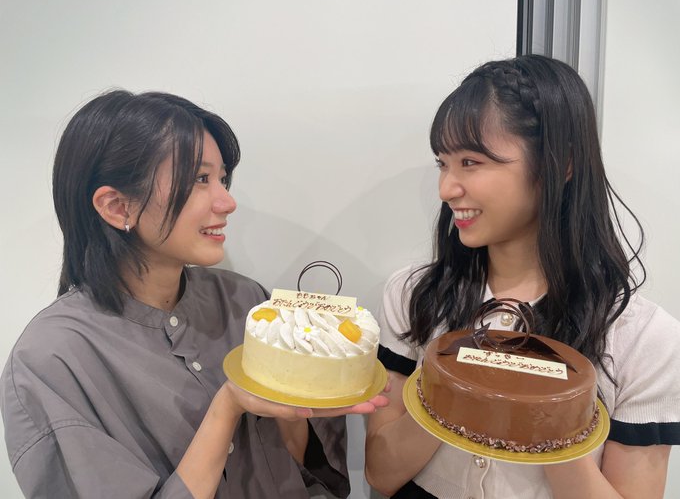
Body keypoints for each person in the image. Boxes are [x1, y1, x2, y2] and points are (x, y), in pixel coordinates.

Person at [0, 90, 387, 498]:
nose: (227, 201)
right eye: (200, 179)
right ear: (117, 207)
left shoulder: (245, 301)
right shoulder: (51, 361)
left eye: (222, 178)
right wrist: (228, 406)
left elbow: (301, 468)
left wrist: (300, 394)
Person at [365, 55, 680, 498]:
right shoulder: (415, 295)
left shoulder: (645, 339)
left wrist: (549, 412)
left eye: (470, 162)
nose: (446, 189)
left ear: (561, 164)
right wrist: (453, 392)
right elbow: (381, 474)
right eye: (443, 163)